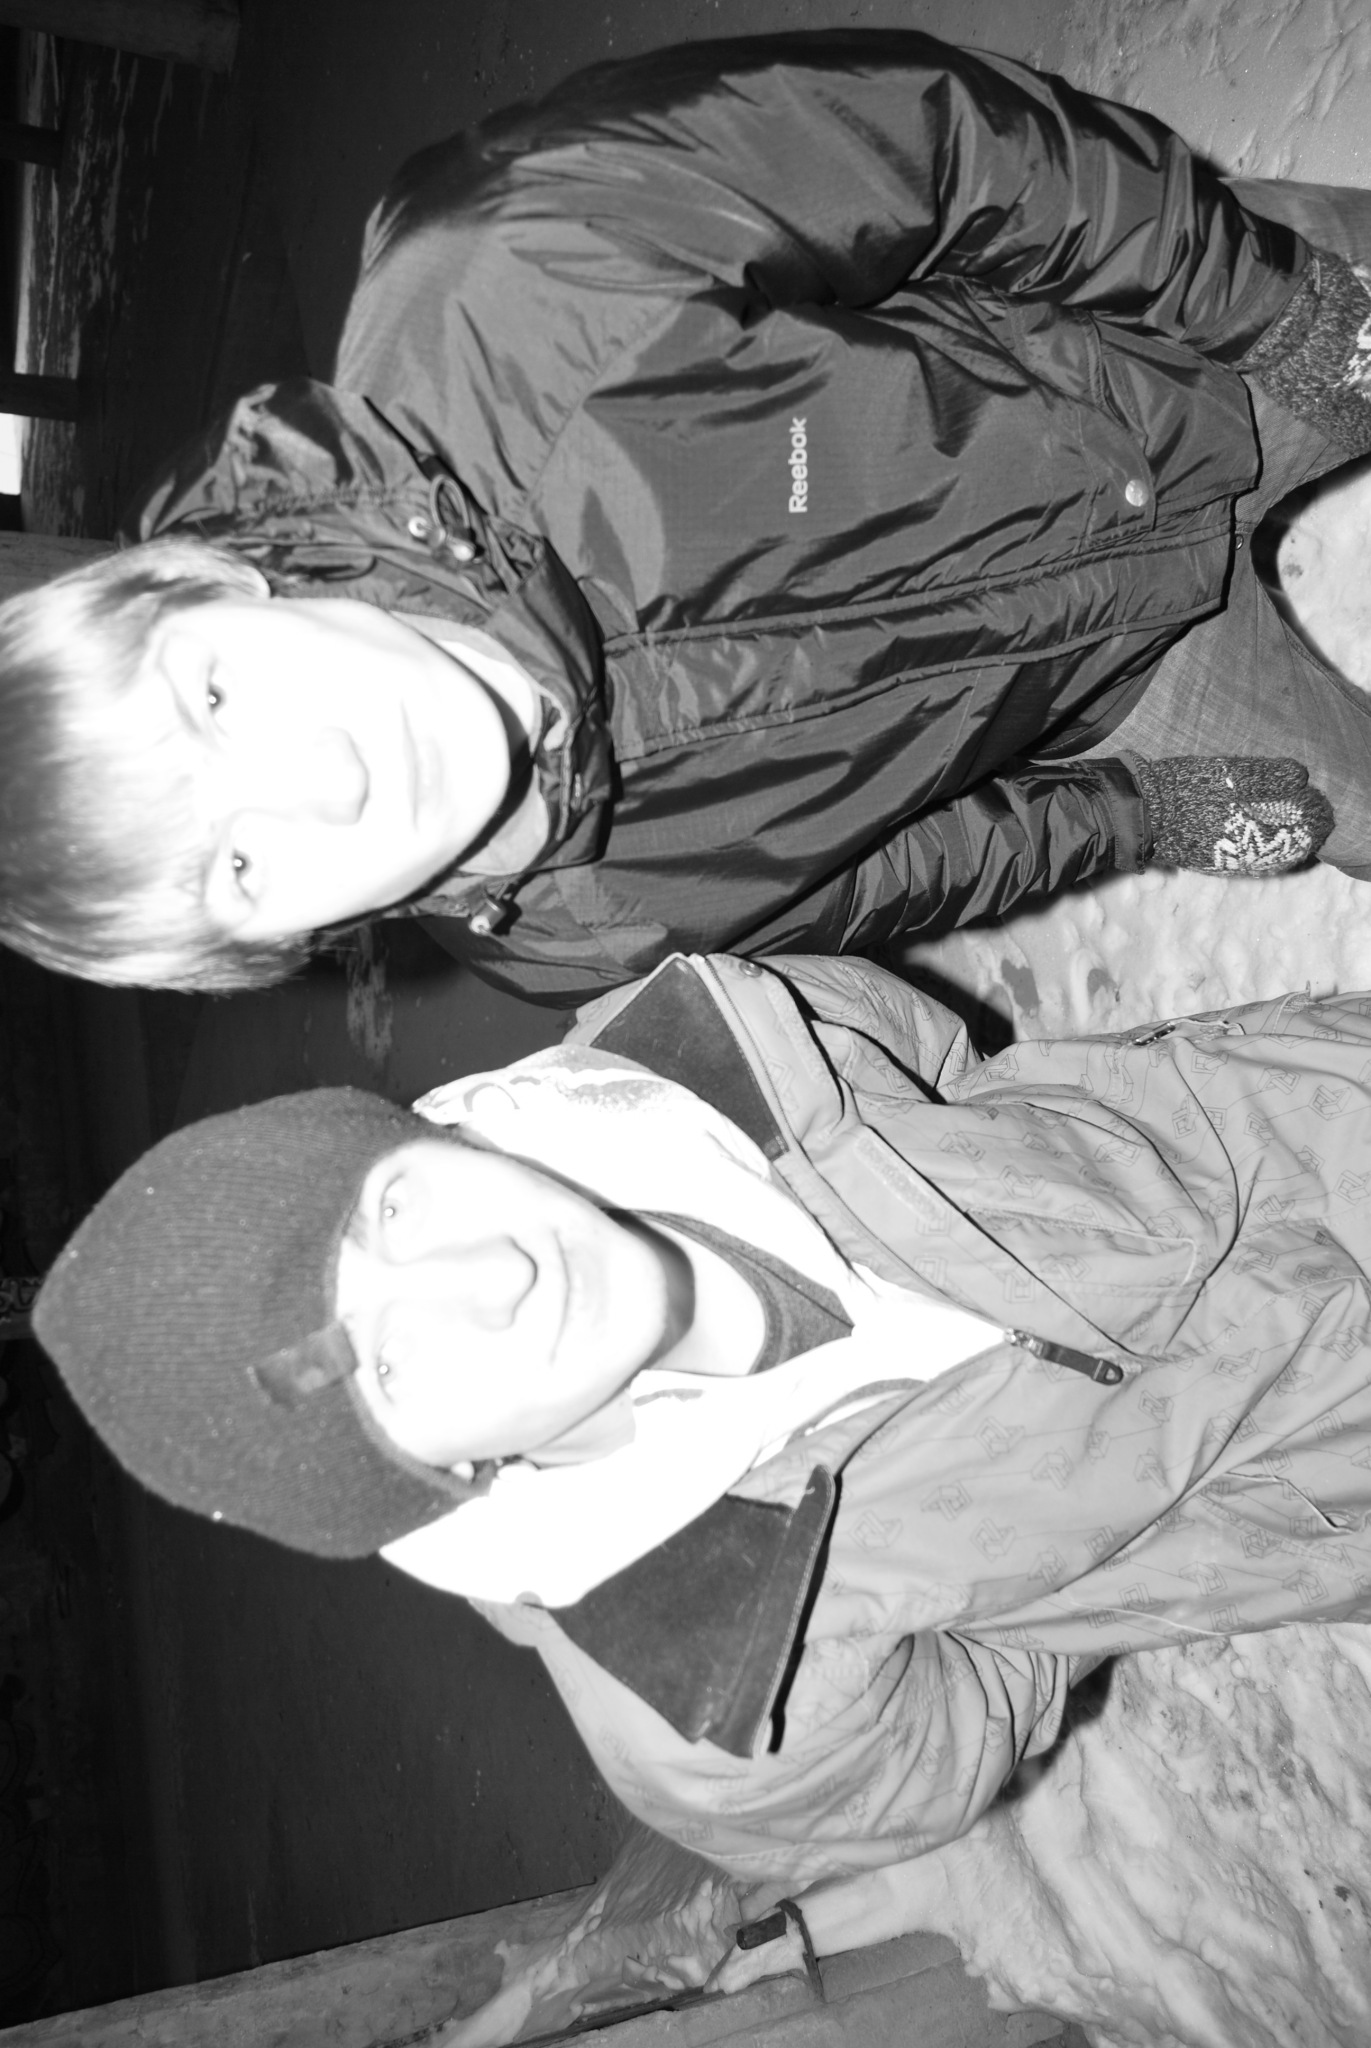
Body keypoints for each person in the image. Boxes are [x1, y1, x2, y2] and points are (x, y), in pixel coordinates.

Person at [0, 32, 1364, 1002]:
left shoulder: (505, 270)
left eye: (216, 699)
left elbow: (948, 146)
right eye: (240, 866)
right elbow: (890, 874)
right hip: (1110, 691)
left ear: (206, 589)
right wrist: (1142, 817)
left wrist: (1269, 308)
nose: (330, 782)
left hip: (1153, 355)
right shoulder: (572, 940)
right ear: (272, 950)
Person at [34, 948, 1371, 1900]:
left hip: (1316, 1099)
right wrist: (1127, 1548)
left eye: (395, 1210)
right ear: (445, 1479)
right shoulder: (711, 1708)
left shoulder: (697, 1043)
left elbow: (930, 1054)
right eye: (393, 1363)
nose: (492, 1277)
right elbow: (952, 1736)